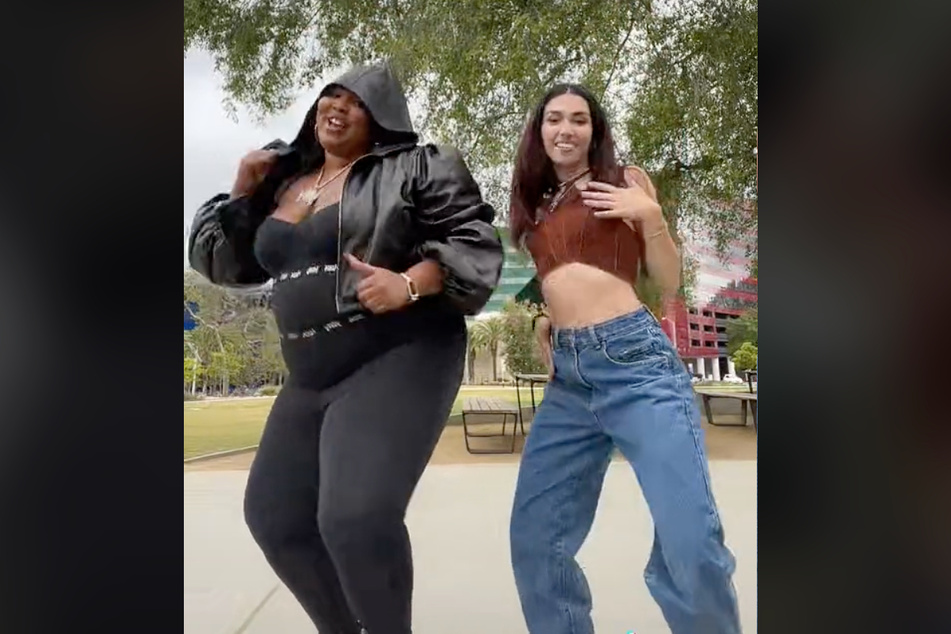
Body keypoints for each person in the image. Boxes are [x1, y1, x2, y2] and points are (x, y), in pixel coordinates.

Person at [187, 62, 503, 634]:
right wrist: (241, 191)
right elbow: (221, 265)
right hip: (309, 374)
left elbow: (474, 246)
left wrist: (409, 282)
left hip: (398, 352)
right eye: (330, 94)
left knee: (356, 519)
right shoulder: (284, 184)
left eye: (356, 101)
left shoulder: (415, 167)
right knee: (276, 518)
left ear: (382, 116)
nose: (338, 105)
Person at [506, 83, 742, 634]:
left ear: (595, 131)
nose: (566, 129)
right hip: (569, 379)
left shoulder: (625, 181)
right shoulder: (538, 202)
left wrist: (649, 213)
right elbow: (563, 274)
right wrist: (547, 315)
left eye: (579, 120)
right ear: (539, 130)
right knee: (536, 538)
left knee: (691, 539)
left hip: (636, 364)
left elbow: (668, 279)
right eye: (555, 119)